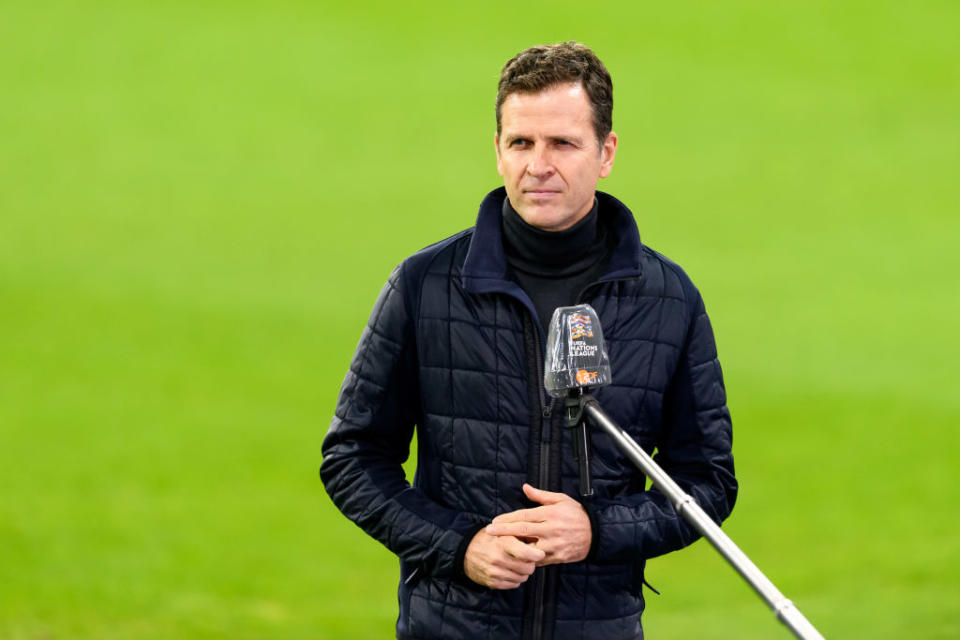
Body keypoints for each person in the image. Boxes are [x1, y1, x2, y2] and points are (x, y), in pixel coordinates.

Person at [321, 41, 737, 640]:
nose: (538, 165)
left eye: (562, 144)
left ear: (606, 152)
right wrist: (461, 546)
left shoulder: (669, 299)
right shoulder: (425, 285)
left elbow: (707, 483)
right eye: (520, 142)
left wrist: (597, 529)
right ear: (497, 150)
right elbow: (353, 458)